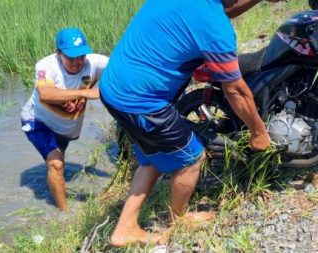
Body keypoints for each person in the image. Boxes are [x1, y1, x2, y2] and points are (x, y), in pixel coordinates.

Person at [99, 0, 282, 247]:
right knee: (192, 157)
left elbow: (226, 7)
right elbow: (236, 91)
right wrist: (259, 132)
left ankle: (124, 229)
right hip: (139, 100)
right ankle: (179, 220)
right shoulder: (215, 26)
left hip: (114, 88)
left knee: (152, 155)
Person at [21, 28, 108, 210]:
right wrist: (85, 93)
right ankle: (64, 213)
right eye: (71, 57)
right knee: (57, 163)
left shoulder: (94, 62)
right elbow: (45, 93)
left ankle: (54, 182)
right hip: (37, 120)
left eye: (81, 56)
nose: (77, 62)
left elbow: (123, 68)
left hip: (65, 128)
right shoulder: (46, 66)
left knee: (58, 161)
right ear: (58, 52)